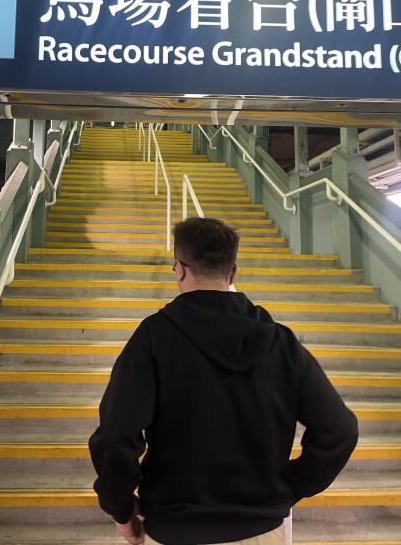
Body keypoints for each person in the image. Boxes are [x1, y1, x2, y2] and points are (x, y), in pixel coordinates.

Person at [89, 217, 359, 545]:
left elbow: (116, 434)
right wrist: (288, 486)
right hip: (261, 530)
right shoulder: (280, 343)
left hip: (175, 528)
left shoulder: (153, 337)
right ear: (232, 273)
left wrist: (120, 508)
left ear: (180, 269)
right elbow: (340, 429)